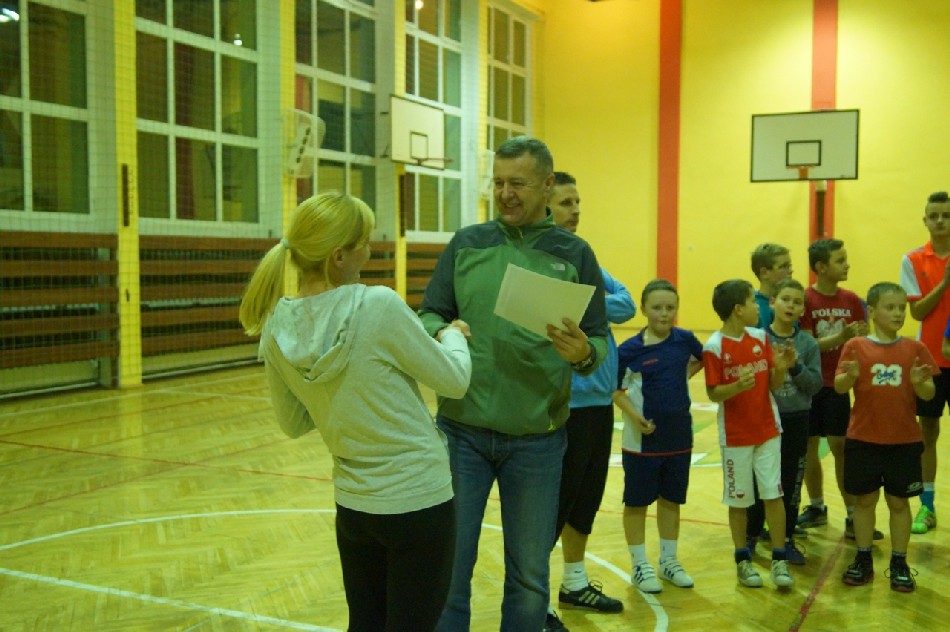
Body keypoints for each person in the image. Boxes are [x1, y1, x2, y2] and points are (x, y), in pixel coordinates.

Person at [238, 192, 473, 632]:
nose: (370, 249)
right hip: (418, 501)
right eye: (364, 242)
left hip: (354, 507)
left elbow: (292, 423)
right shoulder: (377, 305)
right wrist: (454, 336)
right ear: (339, 256)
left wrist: (337, 400)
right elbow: (455, 380)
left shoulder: (275, 325)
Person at [418, 136, 609, 632]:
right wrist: (441, 330)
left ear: (547, 184)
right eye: (499, 182)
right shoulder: (467, 243)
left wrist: (583, 354)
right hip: (461, 433)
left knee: (528, 580)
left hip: (538, 442)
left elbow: (598, 339)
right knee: (448, 570)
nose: (505, 194)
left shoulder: (574, 253)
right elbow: (429, 312)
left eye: (518, 183)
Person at [544, 172, 633, 630]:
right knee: (554, 504)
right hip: (566, 404)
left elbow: (628, 303)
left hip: (600, 401)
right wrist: (590, 305)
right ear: (544, 206)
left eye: (578, 201)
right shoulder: (541, 259)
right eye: (566, 202)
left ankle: (574, 583)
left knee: (586, 499)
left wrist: (580, 304)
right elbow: (550, 313)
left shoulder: (586, 255)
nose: (576, 210)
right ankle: (535, 598)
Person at [835, 282, 937, 592]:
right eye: (890, 308)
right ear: (872, 311)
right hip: (863, 439)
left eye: (901, 308)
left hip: (904, 441)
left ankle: (899, 562)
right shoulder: (855, 346)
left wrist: (919, 383)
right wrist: (850, 376)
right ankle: (863, 557)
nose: (898, 313)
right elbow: (839, 386)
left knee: (899, 502)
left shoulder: (915, 349)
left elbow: (929, 394)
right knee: (865, 501)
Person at [703, 279, 796, 589]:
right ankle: (743, 560)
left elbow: (772, 384)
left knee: (773, 493)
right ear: (738, 309)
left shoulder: (759, 337)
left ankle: (779, 559)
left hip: (768, 429)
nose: (759, 307)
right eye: (753, 302)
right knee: (739, 499)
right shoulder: (714, 347)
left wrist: (780, 368)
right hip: (735, 436)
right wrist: (736, 386)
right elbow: (713, 393)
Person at [612, 279, 703, 594]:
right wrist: (634, 416)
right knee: (637, 503)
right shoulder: (629, 350)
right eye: (657, 307)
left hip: (679, 437)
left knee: (671, 499)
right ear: (643, 309)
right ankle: (639, 565)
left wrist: (684, 375)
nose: (664, 314)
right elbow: (615, 390)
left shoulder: (685, 340)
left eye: (670, 307)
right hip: (641, 442)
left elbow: (702, 359)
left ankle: (668, 561)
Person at [796, 238, 876, 540]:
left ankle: (853, 514)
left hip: (838, 385)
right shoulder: (806, 299)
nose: (847, 265)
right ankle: (816, 506)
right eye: (840, 260)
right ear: (820, 267)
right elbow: (808, 346)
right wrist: (841, 336)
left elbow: (862, 341)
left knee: (841, 446)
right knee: (809, 447)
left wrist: (857, 340)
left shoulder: (852, 300)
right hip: (811, 384)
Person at [745, 278, 823, 564]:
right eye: (785, 299)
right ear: (772, 303)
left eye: (797, 302)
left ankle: (786, 539)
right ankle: (751, 536)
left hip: (796, 420)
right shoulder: (757, 340)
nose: (791, 306)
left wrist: (795, 366)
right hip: (763, 421)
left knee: (790, 483)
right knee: (758, 482)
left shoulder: (808, 344)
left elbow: (815, 385)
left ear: (803, 309)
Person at [899, 191, 950, 535]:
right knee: (927, 432)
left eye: (946, 215)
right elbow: (916, 311)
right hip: (930, 361)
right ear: (925, 220)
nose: (940, 221)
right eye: (934, 215)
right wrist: (945, 283)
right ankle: (927, 506)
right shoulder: (913, 259)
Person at [751, 243, 793, 328]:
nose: (791, 271)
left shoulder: (793, 304)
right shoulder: (752, 308)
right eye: (783, 266)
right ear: (764, 273)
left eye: (789, 266)